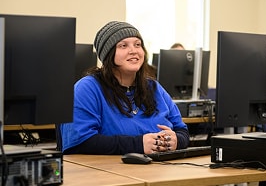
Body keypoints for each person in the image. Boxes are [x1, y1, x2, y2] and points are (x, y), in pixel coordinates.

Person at [60, 21, 189, 155]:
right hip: (109, 171)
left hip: (158, 170)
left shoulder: (154, 87)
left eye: (138, 45)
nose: (133, 51)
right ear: (108, 54)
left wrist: (177, 140)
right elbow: (80, 142)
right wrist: (138, 144)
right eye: (123, 46)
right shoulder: (87, 88)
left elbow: (182, 131)